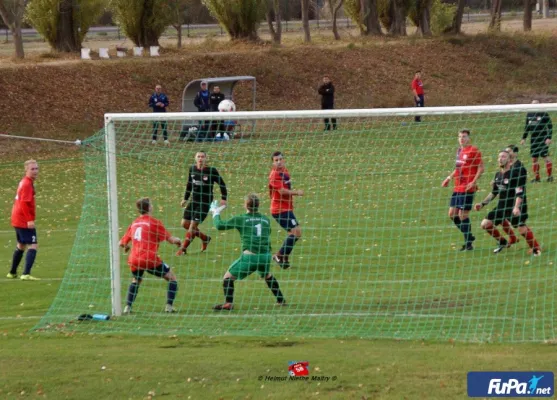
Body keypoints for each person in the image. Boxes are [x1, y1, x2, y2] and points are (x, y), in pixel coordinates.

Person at [211, 194, 286, 311]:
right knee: (267, 275)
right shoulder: (265, 219)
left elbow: (219, 226)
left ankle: (228, 303)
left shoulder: (241, 218)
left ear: (245, 205)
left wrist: (215, 212)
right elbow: (267, 234)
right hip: (265, 256)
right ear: (258, 205)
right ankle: (281, 300)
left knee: (227, 278)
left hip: (250, 257)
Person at [119, 198, 182, 314]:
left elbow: (121, 243)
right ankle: (169, 306)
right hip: (149, 259)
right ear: (149, 208)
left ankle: (127, 307)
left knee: (136, 280)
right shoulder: (154, 222)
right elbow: (171, 240)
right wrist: (179, 241)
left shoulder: (134, 223)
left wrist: (126, 247)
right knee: (171, 278)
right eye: (151, 204)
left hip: (134, 259)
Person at [475, 150, 541, 256]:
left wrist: (516, 207)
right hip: (502, 206)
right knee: (485, 224)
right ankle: (503, 242)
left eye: (503, 157)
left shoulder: (514, 174)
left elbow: (520, 192)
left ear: (509, 160)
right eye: (499, 157)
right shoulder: (498, 175)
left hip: (514, 206)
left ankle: (536, 249)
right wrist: (482, 204)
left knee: (521, 229)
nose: (500, 159)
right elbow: (494, 192)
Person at [177, 151, 228, 255]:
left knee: (192, 226)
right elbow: (189, 184)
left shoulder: (211, 171)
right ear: (195, 158)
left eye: (202, 157)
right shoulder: (192, 169)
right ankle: (205, 238)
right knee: (184, 224)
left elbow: (222, 184)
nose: (200, 158)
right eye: (198, 156)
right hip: (194, 200)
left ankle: (182, 249)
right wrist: (185, 198)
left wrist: (224, 198)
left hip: (205, 202)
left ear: (206, 158)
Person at [441, 129, 484, 251]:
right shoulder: (459, 151)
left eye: (464, 136)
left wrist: (473, 182)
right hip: (457, 187)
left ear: (469, 138)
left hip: (467, 188)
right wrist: (448, 178)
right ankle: (469, 236)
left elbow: (481, 168)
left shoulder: (474, 150)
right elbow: (458, 168)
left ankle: (468, 244)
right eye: (460, 137)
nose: (462, 139)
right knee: (452, 214)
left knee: (462, 215)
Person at [268, 151, 304, 268]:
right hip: (279, 210)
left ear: (284, 160)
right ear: (273, 163)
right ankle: (279, 255)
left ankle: (283, 258)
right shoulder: (274, 175)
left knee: (293, 233)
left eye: (280, 159)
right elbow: (282, 191)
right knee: (296, 232)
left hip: (286, 208)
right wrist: (296, 193)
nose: (279, 162)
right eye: (276, 160)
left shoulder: (285, 171)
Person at [8, 159, 41, 281]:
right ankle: (26, 274)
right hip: (22, 219)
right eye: (32, 169)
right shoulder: (27, 184)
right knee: (33, 244)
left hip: (17, 217)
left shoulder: (25, 182)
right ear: (26, 170)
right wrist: (29, 220)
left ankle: (12, 273)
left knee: (21, 244)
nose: (35, 171)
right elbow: (23, 203)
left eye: (36, 168)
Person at [521, 100, 553, 183]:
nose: (534, 107)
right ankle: (537, 178)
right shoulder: (529, 114)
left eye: (536, 105)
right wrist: (523, 138)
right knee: (534, 159)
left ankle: (550, 177)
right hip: (533, 139)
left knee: (545, 157)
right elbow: (527, 127)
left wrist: (548, 137)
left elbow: (550, 126)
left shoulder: (544, 114)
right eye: (532, 105)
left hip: (543, 138)